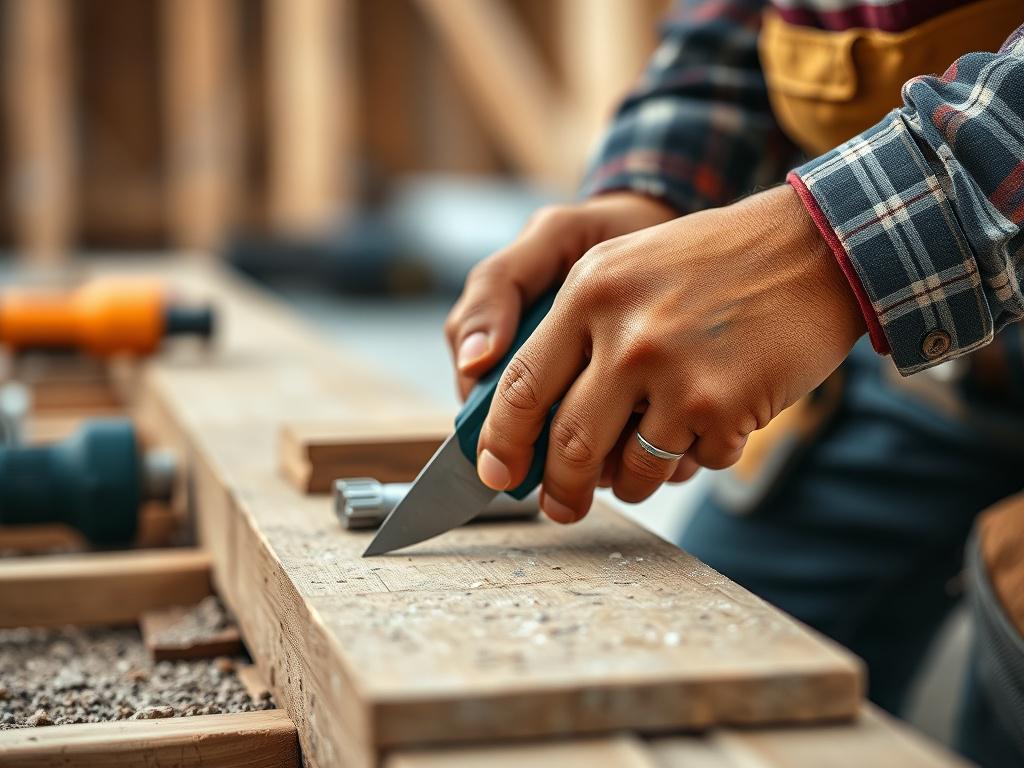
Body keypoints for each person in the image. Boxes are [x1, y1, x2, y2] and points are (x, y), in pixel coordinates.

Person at [444, 2, 1024, 765]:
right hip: (918, 356)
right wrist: (653, 195)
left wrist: (829, 255)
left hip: (890, 276)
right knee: (693, 661)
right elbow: (733, 29)